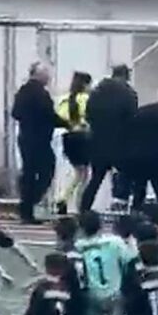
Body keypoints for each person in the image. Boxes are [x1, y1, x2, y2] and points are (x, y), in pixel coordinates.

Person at [11, 62, 67, 224]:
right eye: (46, 73)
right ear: (37, 74)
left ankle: (26, 206)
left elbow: (16, 113)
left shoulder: (23, 91)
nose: (49, 76)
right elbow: (49, 115)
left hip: (27, 138)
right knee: (45, 171)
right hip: (38, 139)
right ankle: (28, 204)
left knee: (30, 172)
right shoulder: (39, 93)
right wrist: (67, 123)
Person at [81, 64, 138, 213]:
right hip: (121, 142)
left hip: (97, 142)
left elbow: (88, 115)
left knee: (95, 179)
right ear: (126, 75)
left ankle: (84, 209)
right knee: (126, 175)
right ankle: (121, 207)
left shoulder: (97, 92)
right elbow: (132, 119)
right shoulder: (128, 93)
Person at [55, 71, 93, 215]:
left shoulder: (64, 99)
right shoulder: (85, 99)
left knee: (77, 173)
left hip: (68, 137)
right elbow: (90, 116)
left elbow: (60, 117)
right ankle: (80, 205)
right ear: (85, 84)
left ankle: (63, 198)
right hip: (83, 137)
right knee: (84, 175)